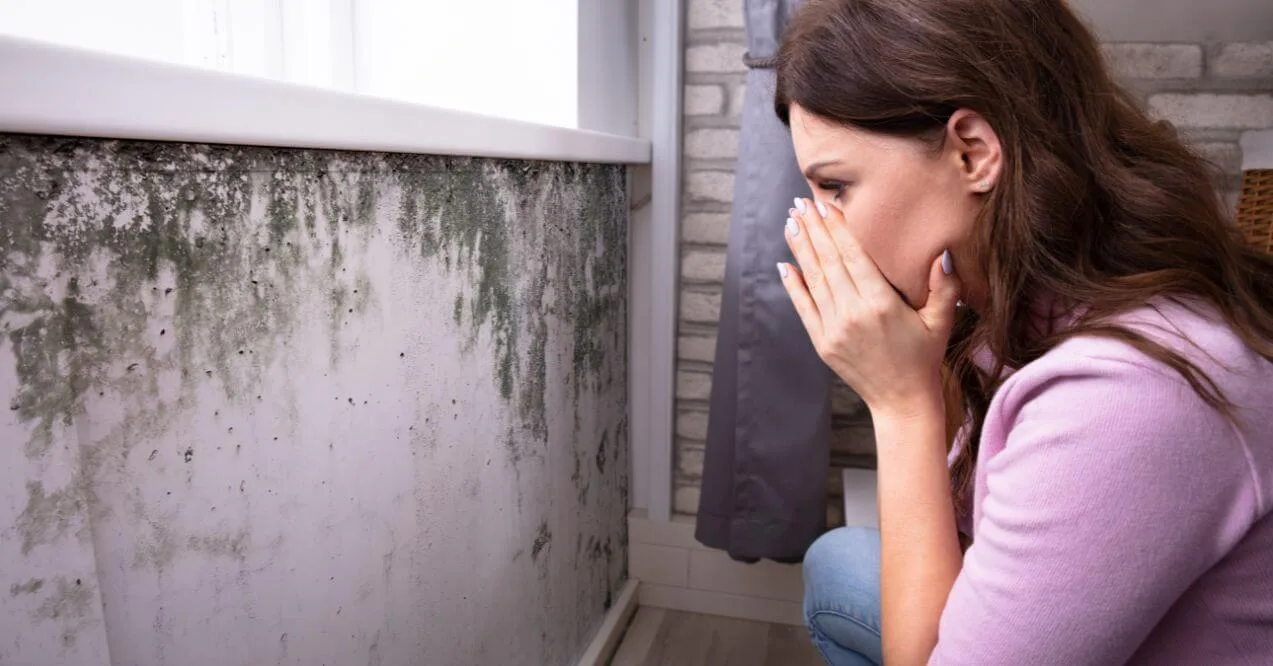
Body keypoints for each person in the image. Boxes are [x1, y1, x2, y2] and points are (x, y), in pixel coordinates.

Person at [771, 0, 1273, 664]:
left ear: (972, 153)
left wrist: (900, 405)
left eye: (836, 187)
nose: (819, 228)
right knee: (839, 562)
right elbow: (967, 518)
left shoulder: (1128, 396)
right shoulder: (1030, 292)